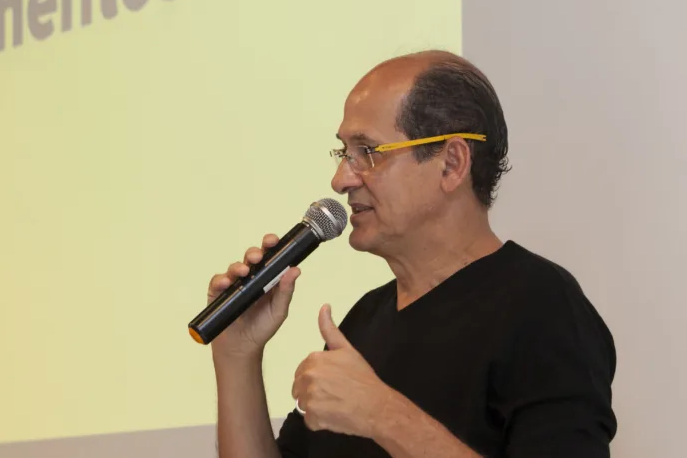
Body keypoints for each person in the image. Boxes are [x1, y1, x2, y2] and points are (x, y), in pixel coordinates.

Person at [206, 50, 617, 458]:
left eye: (368, 152)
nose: (340, 180)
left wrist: (382, 414)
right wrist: (237, 358)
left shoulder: (542, 307)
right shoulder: (365, 321)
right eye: (343, 153)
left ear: (451, 163)